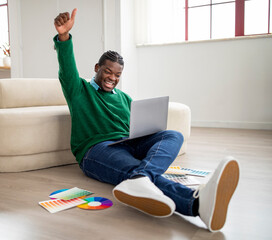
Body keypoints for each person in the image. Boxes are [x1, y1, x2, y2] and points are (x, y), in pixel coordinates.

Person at [53, 8, 240, 232]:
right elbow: (67, 67)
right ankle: (197, 204)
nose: (112, 77)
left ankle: (141, 178)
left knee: (173, 135)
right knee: (135, 170)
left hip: (129, 144)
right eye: (108, 71)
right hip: (97, 150)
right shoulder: (79, 90)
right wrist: (64, 37)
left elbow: (135, 128)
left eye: (117, 74)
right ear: (97, 68)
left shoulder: (124, 98)